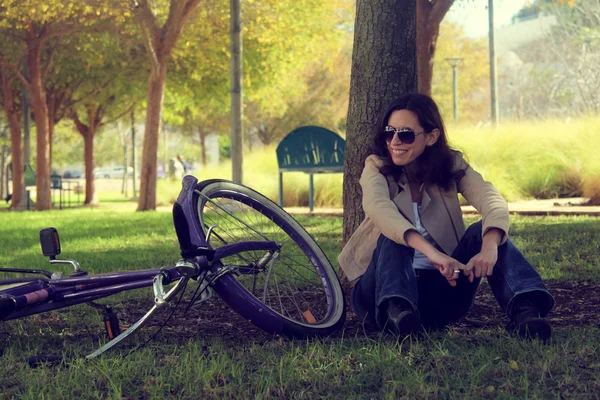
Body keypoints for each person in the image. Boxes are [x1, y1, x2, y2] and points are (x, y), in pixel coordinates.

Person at [338, 93, 554, 340]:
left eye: (406, 134)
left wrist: (489, 247)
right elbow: (379, 209)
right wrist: (433, 253)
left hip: (442, 291)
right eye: (390, 132)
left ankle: (527, 313)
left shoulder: (450, 164)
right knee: (393, 236)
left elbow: (491, 199)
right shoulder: (376, 166)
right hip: (379, 295)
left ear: (431, 137)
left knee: (486, 230)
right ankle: (399, 316)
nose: (395, 141)